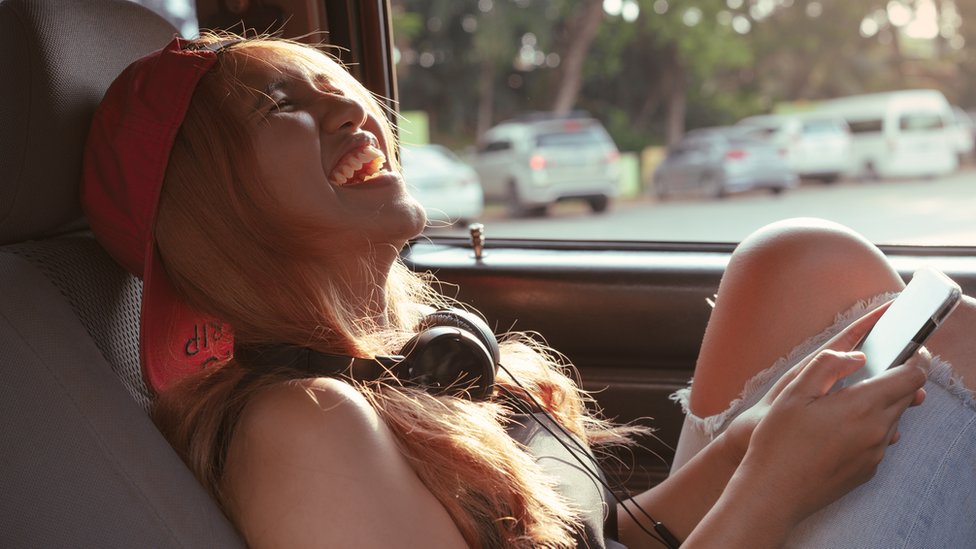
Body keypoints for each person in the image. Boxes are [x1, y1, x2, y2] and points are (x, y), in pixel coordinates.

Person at [79, 33, 976, 548]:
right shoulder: (298, 429)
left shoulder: (421, 363)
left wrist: (746, 448)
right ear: (213, 213)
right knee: (961, 347)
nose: (352, 110)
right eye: (283, 106)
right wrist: (771, 491)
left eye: (335, 84)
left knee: (802, 260)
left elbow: (591, 537)